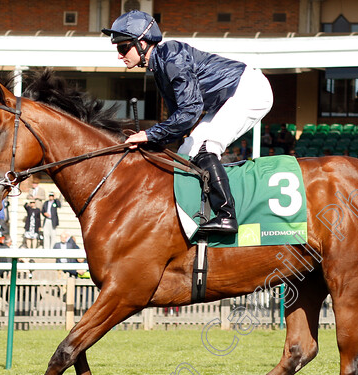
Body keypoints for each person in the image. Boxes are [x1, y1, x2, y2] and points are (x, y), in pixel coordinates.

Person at [103, 10, 273, 234]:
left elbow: (190, 111)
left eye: (123, 47)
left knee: (206, 147)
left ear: (142, 42)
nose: (119, 55)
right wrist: (152, 140)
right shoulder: (160, 67)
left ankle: (227, 216)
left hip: (249, 90)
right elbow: (180, 122)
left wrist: (149, 134)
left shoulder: (172, 56)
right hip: (228, 98)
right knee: (186, 151)